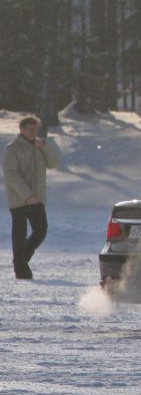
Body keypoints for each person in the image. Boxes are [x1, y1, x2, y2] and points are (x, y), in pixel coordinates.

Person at [4, 115, 60, 280]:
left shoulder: (39, 146)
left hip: (37, 198)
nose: (34, 133)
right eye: (30, 130)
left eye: (36, 129)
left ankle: (20, 260)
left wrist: (44, 148)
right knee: (19, 234)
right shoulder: (12, 148)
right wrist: (27, 195)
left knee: (41, 230)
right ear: (21, 129)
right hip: (19, 199)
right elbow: (11, 175)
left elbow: (54, 163)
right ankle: (21, 270)